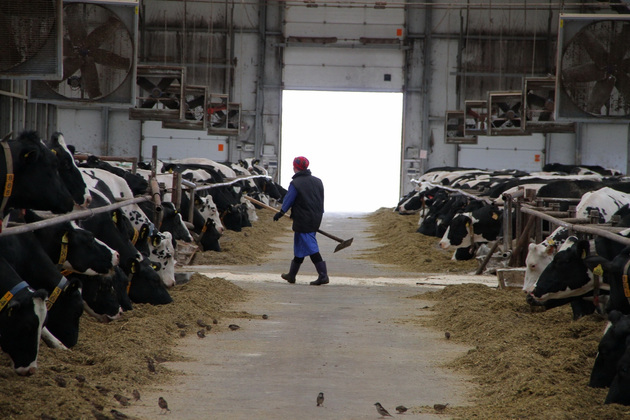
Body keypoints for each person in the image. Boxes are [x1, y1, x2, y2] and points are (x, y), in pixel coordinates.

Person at [273, 156, 328, 285]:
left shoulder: (296, 183)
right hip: (315, 217)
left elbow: (289, 199)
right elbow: (320, 200)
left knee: (311, 247)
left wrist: (281, 213)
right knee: (300, 247)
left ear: (295, 167)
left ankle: (323, 275)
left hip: (303, 219)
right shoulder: (318, 181)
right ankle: (291, 275)